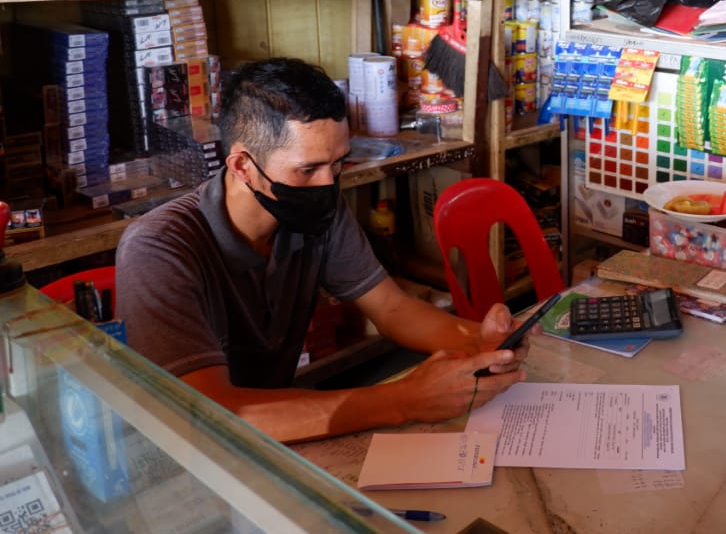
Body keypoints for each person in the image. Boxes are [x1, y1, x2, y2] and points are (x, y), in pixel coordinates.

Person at [117, 58, 529, 443]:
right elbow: (205, 415)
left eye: (337, 165)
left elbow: (391, 308)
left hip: (276, 438)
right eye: (308, 169)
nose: (327, 185)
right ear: (242, 166)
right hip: (187, 457)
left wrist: (481, 341)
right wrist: (405, 400)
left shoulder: (316, 212)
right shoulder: (159, 248)